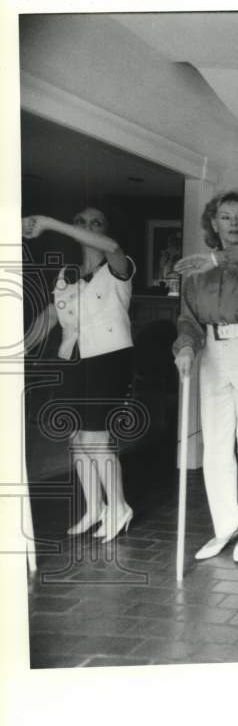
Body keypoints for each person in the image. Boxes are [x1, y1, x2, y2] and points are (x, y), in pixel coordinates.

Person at [172, 190, 238, 563]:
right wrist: (185, 347)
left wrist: (215, 259)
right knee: (216, 444)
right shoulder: (193, 274)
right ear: (213, 223)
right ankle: (225, 526)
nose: (233, 223)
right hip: (211, 353)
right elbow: (188, 319)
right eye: (226, 216)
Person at [22, 208, 136, 542]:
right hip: (72, 359)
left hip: (109, 359)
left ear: (106, 230)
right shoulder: (66, 274)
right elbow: (51, 316)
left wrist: (53, 224)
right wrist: (20, 347)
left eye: (95, 223)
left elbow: (111, 246)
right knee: (76, 440)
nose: (87, 228)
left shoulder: (119, 267)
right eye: (81, 222)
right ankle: (95, 509)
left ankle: (120, 507)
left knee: (96, 439)